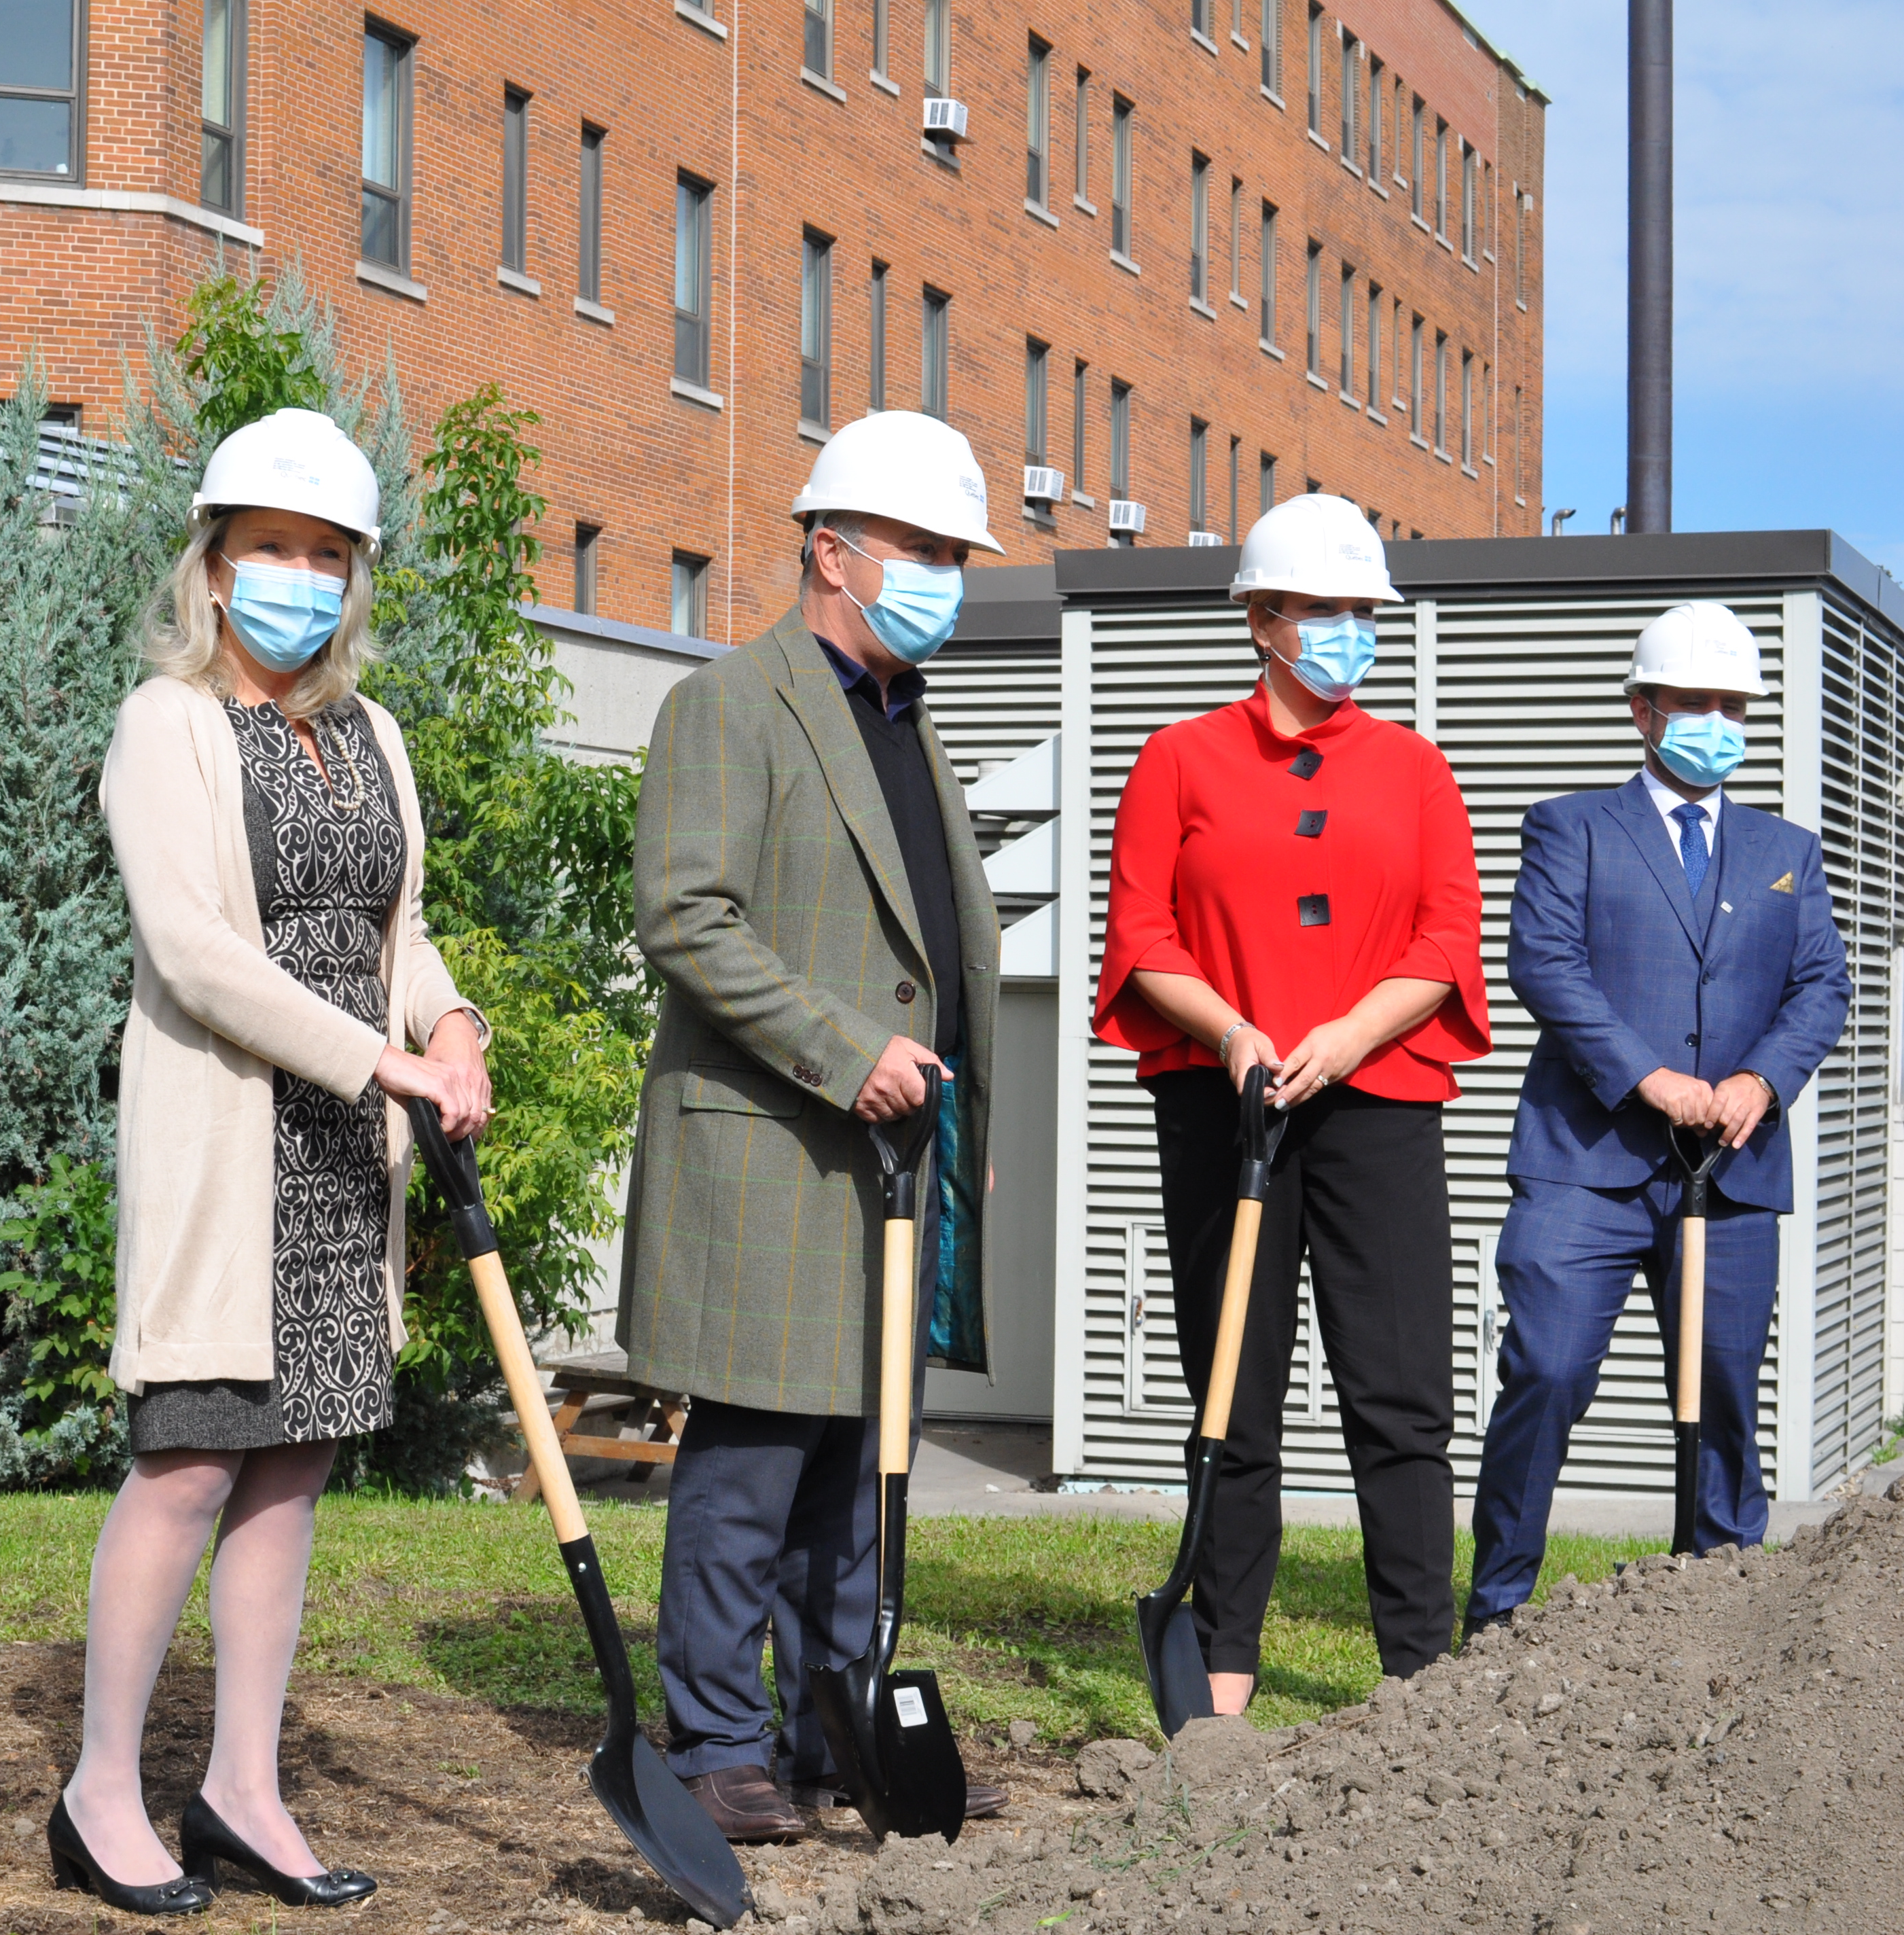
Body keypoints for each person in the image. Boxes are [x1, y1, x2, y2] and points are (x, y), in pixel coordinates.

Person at [65, 407, 490, 1914]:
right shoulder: (162, 725)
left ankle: (241, 1783)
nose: (300, 577)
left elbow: (400, 929)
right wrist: (371, 1053)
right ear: (215, 563)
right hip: (227, 1151)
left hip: (336, 1161)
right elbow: (191, 951)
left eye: (327, 554)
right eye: (273, 550)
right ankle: (100, 1785)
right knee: (185, 1464)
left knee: (292, 1469)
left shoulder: (370, 733)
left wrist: (452, 1025)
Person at [622, 410, 1008, 1843]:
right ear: (828, 550)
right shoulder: (731, 702)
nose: (943, 578)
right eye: (921, 549)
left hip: (886, 1159)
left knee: (859, 1462)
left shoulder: (906, 721)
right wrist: (849, 1052)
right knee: (751, 1463)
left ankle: (825, 1722)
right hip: (776, 1142)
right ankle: (717, 1734)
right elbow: (686, 915)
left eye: (954, 554)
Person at [1091, 494, 1490, 1709]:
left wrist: (1346, 1037)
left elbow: (1444, 939)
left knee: (1400, 1392)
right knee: (1233, 1387)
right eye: (1327, 612)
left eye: (1363, 614)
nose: (1350, 634)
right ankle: (1223, 1671)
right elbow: (1144, 934)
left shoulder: (1416, 770)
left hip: (1377, 1107)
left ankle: (1419, 1671)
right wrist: (1233, 1033)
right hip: (1227, 1106)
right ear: (1263, 620)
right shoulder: (1179, 759)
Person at [1465, 604, 1850, 1640]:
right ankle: (1498, 1609)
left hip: (1732, 1168)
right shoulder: (1570, 826)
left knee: (1723, 1389)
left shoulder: (1787, 851)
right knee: (1544, 1373)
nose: (1717, 723)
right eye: (1695, 705)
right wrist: (1650, 1080)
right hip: (1583, 1162)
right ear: (1643, 711)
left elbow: (1821, 988)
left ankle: (1722, 1606)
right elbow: (1546, 965)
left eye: (1733, 706)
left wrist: (1759, 1084)